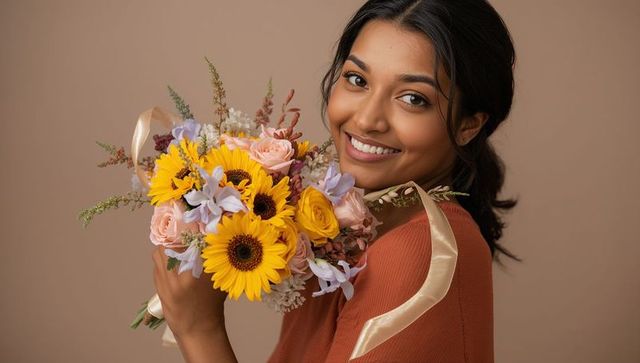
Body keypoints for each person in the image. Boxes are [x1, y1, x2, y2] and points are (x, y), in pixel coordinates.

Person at [152, 0, 521, 361]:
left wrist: (199, 329)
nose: (366, 119)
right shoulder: (347, 230)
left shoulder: (420, 251)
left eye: (413, 98)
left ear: (469, 124)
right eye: (357, 79)